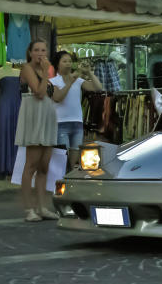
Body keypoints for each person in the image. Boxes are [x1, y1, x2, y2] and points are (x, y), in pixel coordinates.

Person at [14, 40, 60, 221]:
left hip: (47, 117)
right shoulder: (27, 68)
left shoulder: (46, 71)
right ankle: (29, 209)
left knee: (44, 166)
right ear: (30, 52)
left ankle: (42, 207)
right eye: (37, 50)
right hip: (34, 117)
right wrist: (47, 74)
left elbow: (55, 96)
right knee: (31, 164)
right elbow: (39, 93)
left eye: (43, 49)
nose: (40, 53)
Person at [50, 51, 102, 168]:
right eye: (64, 61)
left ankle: (68, 184)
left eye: (69, 61)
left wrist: (89, 73)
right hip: (60, 123)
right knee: (63, 158)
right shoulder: (53, 81)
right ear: (57, 64)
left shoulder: (78, 81)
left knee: (73, 161)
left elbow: (98, 88)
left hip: (77, 123)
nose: (68, 64)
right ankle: (59, 184)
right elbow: (58, 98)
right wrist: (70, 82)